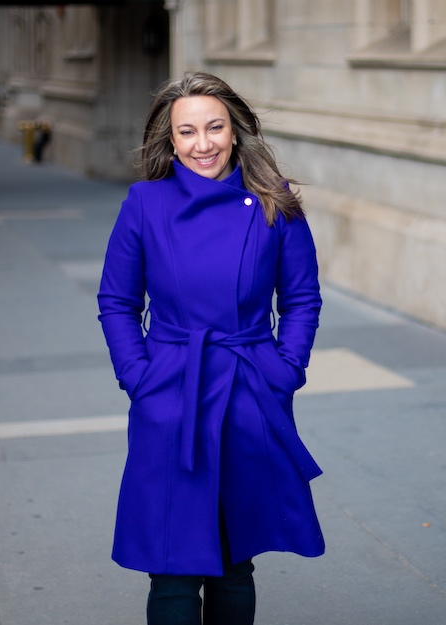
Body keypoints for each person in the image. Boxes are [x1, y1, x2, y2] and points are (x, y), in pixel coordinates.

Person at [97, 71, 325, 625]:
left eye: (215, 127)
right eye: (188, 132)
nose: (204, 144)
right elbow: (116, 301)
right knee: (171, 565)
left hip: (250, 390)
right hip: (171, 390)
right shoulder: (145, 204)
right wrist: (140, 378)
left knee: (233, 559)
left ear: (234, 130)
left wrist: (285, 369)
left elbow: (301, 299)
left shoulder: (275, 202)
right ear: (169, 140)